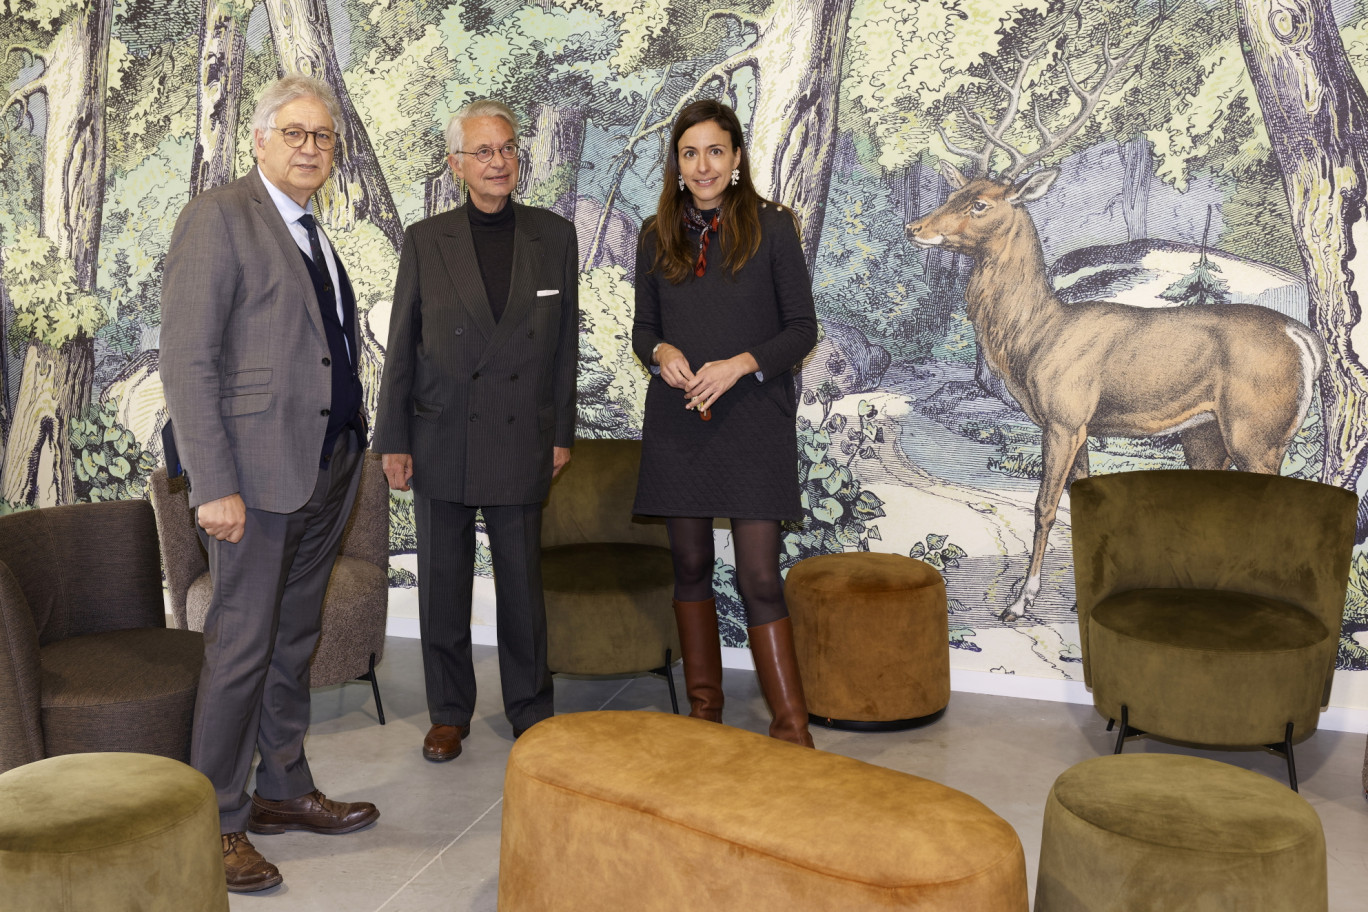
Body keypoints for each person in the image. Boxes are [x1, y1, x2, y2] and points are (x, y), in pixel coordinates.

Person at [160, 75, 378, 894]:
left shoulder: (314, 234)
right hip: (250, 483)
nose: (310, 148)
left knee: (292, 640)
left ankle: (282, 789)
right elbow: (188, 360)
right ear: (259, 139)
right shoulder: (218, 219)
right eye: (295, 133)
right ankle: (214, 821)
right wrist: (212, 483)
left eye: (322, 137)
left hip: (325, 473)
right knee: (243, 645)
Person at [373, 99, 578, 762]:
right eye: (484, 152)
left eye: (508, 148)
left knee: (521, 582)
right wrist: (393, 440)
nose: (499, 162)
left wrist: (561, 430)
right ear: (457, 164)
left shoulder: (555, 236)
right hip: (442, 435)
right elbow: (401, 346)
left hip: (522, 434)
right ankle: (449, 712)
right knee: (442, 580)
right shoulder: (426, 241)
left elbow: (564, 348)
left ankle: (530, 707)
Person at [632, 100, 818, 747]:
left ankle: (790, 726)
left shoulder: (773, 228)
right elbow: (644, 331)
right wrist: (663, 354)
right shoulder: (655, 235)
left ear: (737, 159)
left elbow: (801, 330)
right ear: (677, 166)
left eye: (715, 151)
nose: (703, 164)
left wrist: (741, 364)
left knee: (760, 578)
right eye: (690, 153)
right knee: (688, 565)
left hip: (754, 423)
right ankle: (704, 715)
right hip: (681, 423)